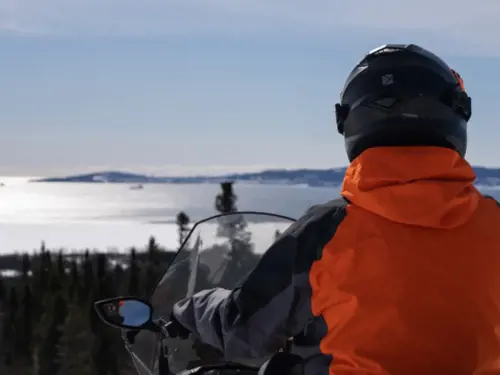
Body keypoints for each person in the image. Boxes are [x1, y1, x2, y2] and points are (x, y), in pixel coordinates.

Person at [167, 44, 500, 375]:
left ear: (351, 121)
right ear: (455, 113)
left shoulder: (326, 232)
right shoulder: (494, 223)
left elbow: (244, 331)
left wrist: (191, 308)